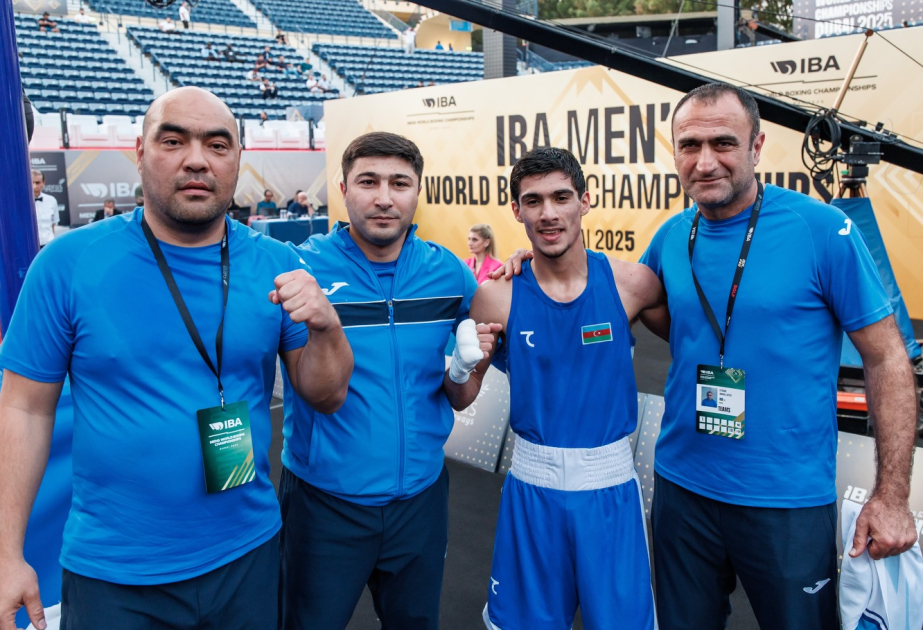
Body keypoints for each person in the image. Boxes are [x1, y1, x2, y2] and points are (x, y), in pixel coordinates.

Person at [0, 86, 352, 630]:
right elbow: (24, 409)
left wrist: (327, 329)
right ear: (139, 153)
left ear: (238, 161)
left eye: (217, 144)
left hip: (248, 553)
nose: (196, 159)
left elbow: (326, 396)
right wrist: (6, 553)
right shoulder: (67, 264)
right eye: (173, 140)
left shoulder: (278, 265)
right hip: (114, 572)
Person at [639, 83, 919, 629]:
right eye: (689, 145)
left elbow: (887, 359)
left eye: (723, 142)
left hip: (787, 502)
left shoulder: (821, 230)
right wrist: (529, 266)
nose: (705, 161)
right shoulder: (673, 234)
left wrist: (892, 496)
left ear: (757, 145)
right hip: (682, 490)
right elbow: (634, 300)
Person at [278, 131, 484, 630]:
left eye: (400, 183)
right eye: (368, 181)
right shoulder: (301, 267)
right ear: (343, 186)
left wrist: (526, 262)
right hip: (323, 503)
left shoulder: (450, 275)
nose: (385, 197)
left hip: (421, 501)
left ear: (418, 191)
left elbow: (465, 389)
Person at [453, 147, 665, 630]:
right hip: (532, 489)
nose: (548, 213)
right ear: (517, 211)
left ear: (585, 201)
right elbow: (460, 396)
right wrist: (463, 368)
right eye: (533, 201)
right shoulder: (497, 295)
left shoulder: (631, 282)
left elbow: (697, 340)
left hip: (610, 488)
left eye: (560, 197)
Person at [32, 169, 58, 248]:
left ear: (43, 183)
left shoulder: (52, 200)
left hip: (48, 245)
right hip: (30, 246)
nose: (34, 186)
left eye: (38, 183)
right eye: (31, 182)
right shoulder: (22, 202)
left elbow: (53, 224)